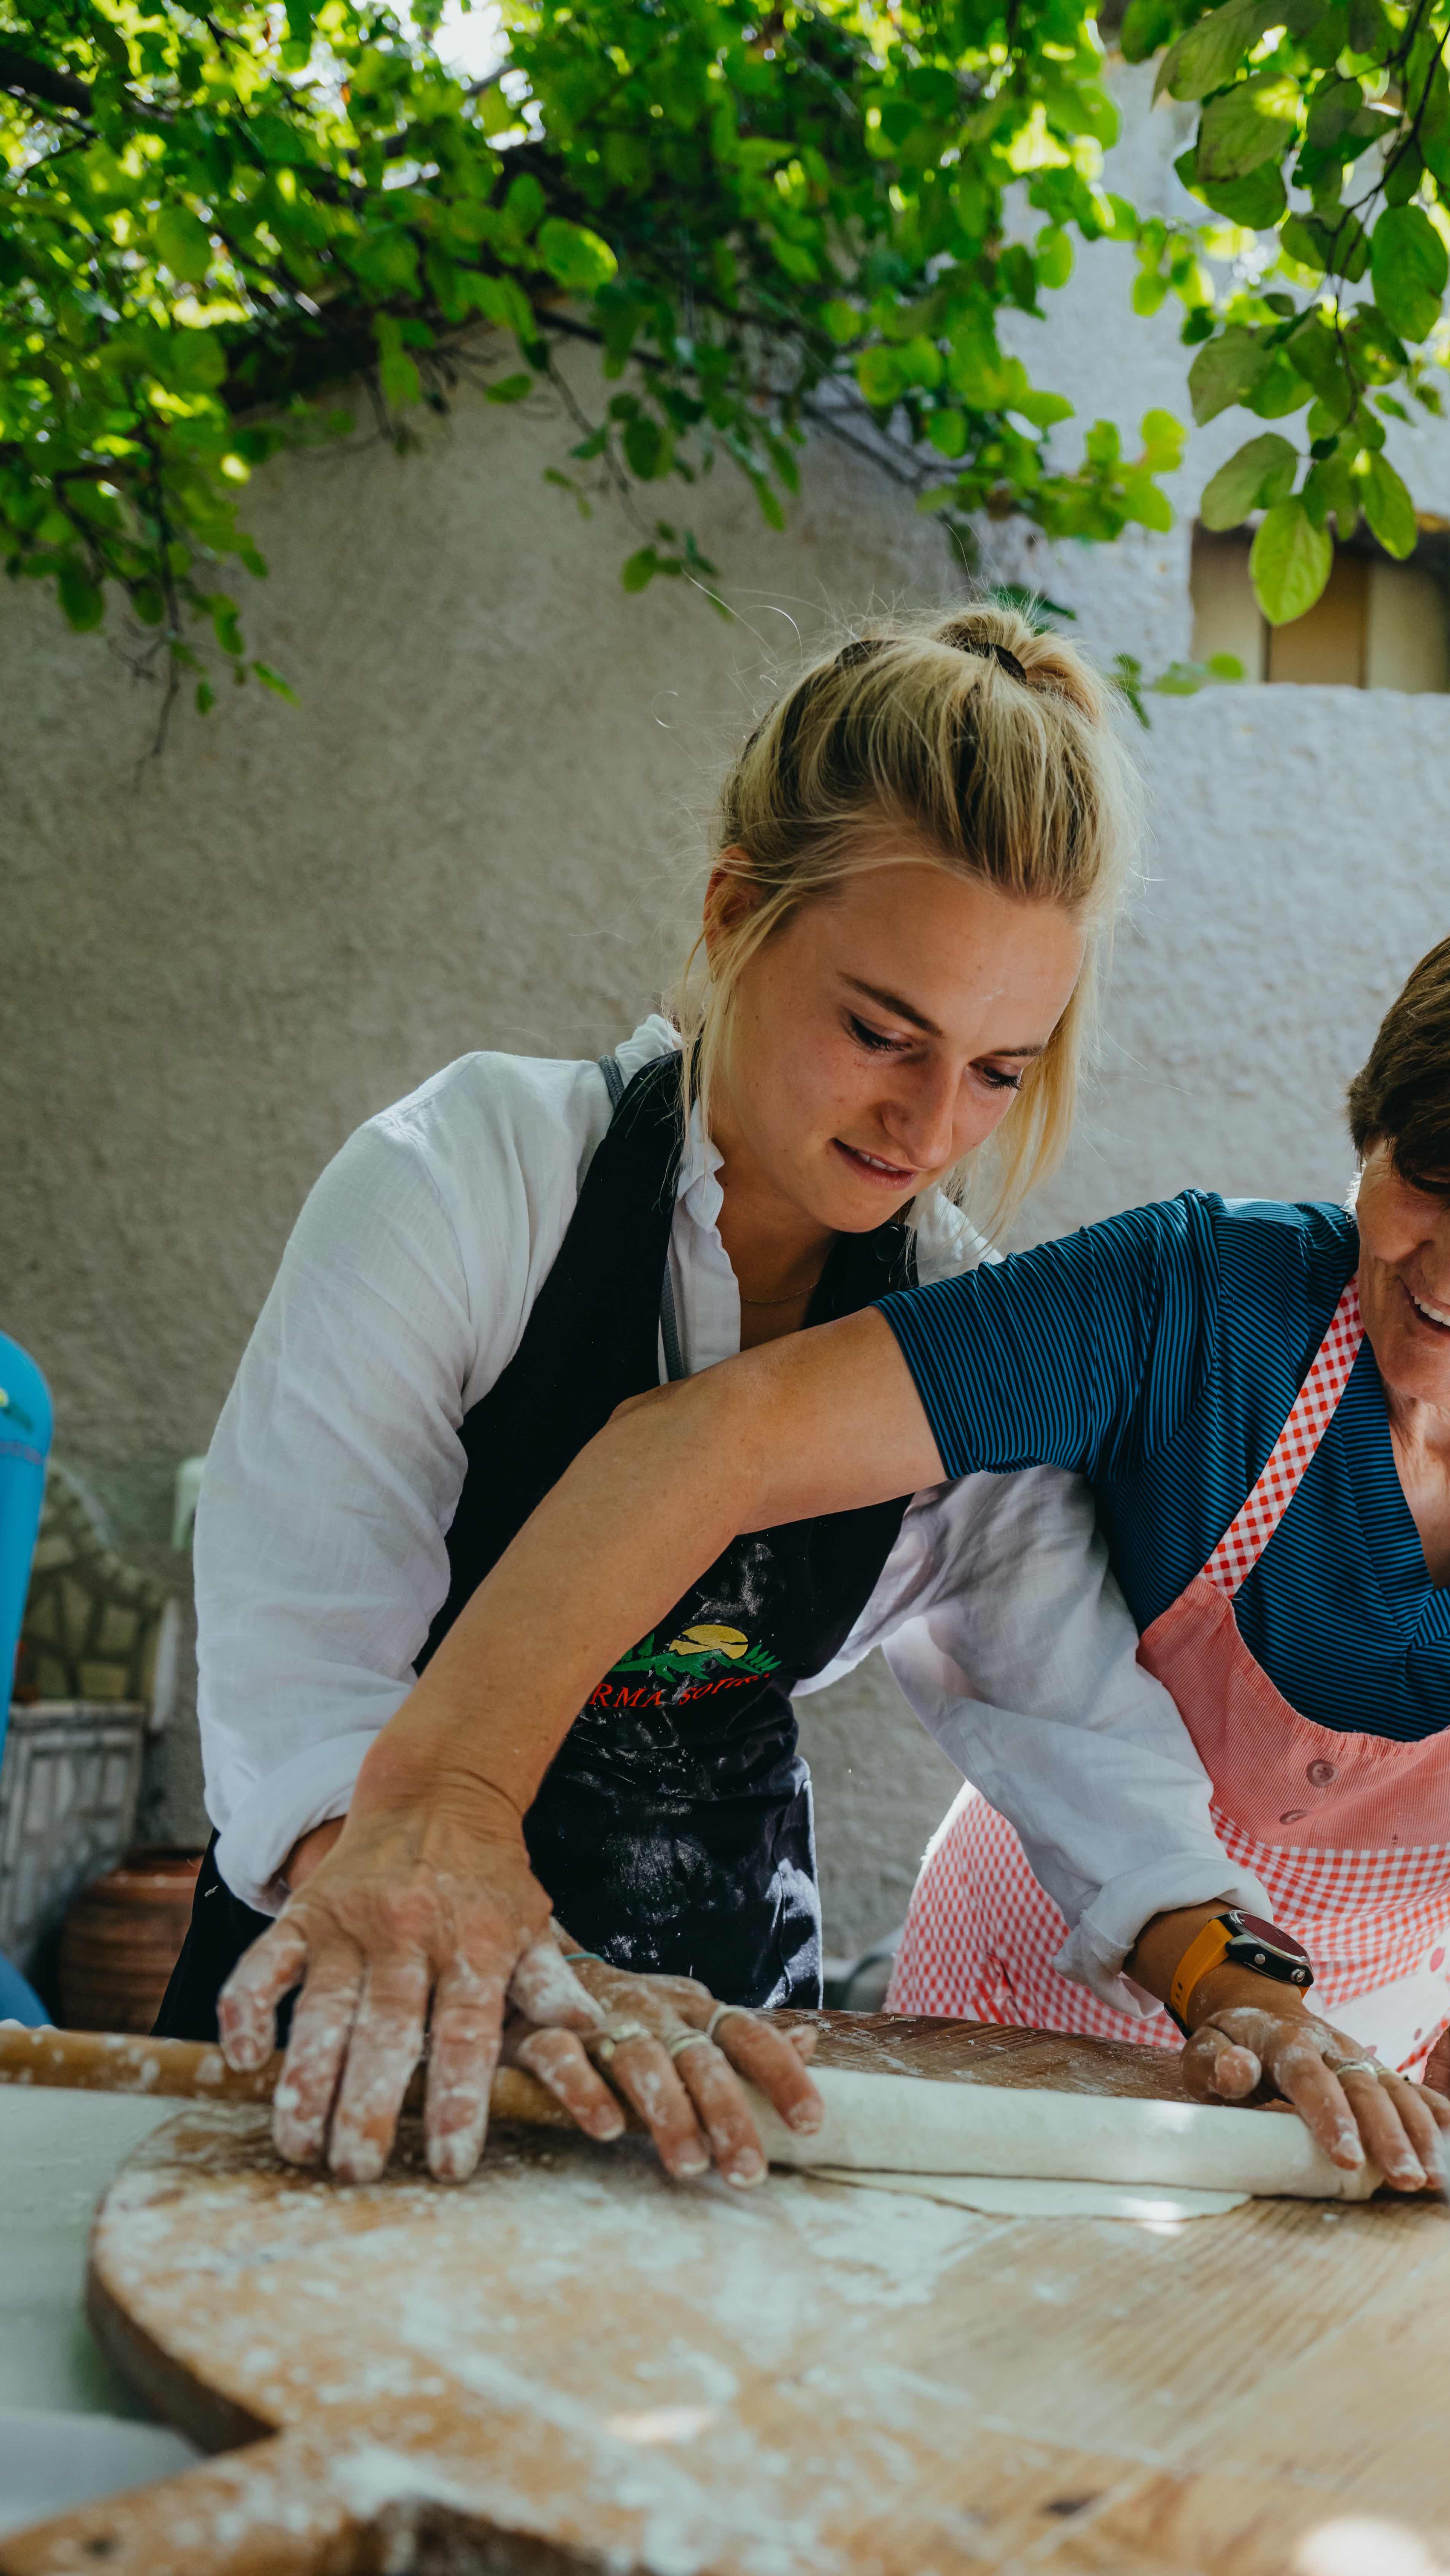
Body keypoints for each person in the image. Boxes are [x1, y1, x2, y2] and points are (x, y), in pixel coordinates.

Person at [221, 879, 1450, 2221]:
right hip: (1031, 2016)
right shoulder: (1183, 1304)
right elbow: (697, 1443)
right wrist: (436, 1821)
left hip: (1375, 2053)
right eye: (1428, 1178)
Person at [168, 602, 1267, 2186]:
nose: (930, 1121)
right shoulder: (469, 1182)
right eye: (883, 1032)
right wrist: (459, 1915)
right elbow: (298, 1664)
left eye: (1001, 1070)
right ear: (737, 910)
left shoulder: (957, 1330)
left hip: (717, 2064)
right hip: (379, 2014)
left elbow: (1071, 1717)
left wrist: (1238, 1979)